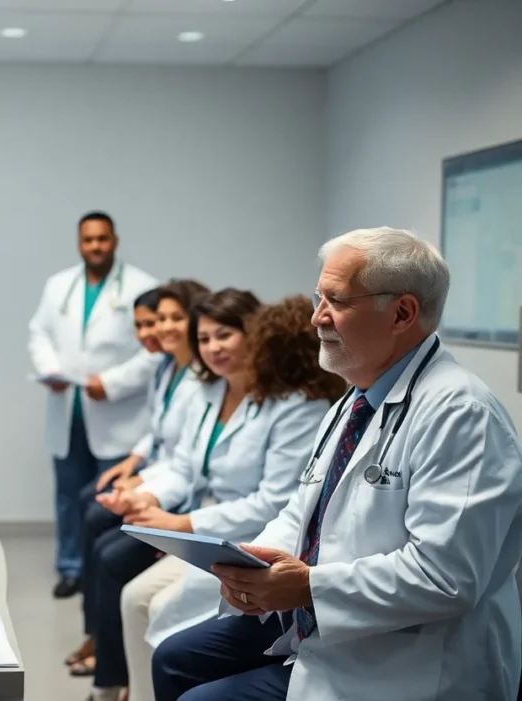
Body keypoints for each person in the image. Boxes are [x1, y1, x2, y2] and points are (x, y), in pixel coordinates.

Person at [152, 227, 522, 701]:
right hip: (336, 631)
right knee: (175, 659)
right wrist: (249, 567)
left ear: (402, 313)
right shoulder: (358, 397)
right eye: (317, 297)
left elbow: (446, 579)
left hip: (411, 668)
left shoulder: (461, 413)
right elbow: (302, 511)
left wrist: (308, 587)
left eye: (336, 301)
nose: (315, 318)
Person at [86, 290, 341, 701]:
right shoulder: (209, 393)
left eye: (224, 335)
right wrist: (148, 499)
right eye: (204, 339)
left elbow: (272, 502)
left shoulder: (291, 404)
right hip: (204, 527)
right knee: (134, 595)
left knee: (153, 609)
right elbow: (185, 467)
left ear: (252, 335)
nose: (213, 348)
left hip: (250, 537)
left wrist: (180, 522)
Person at [65, 280, 209, 677]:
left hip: (183, 499)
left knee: (104, 539)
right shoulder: (167, 368)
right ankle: (97, 634)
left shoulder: (204, 378)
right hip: (168, 481)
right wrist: (134, 463)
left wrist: (142, 487)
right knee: (87, 501)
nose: (160, 329)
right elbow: (160, 431)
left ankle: (108, 661)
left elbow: (187, 460)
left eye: (171, 319)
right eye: (153, 321)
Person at [28, 211, 160, 599]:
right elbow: (39, 333)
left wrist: (114, 384)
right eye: (88, 240)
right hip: (68, 405)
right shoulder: (58, 286)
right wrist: (49, 369)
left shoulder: (142, 286)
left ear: (114, 241)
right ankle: (71, 568)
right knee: (68, 494)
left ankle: (109, 574)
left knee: (112, 498)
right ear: (79, 243)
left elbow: (154, 352)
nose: (96, 246)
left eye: (103, 239)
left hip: (118, 412)